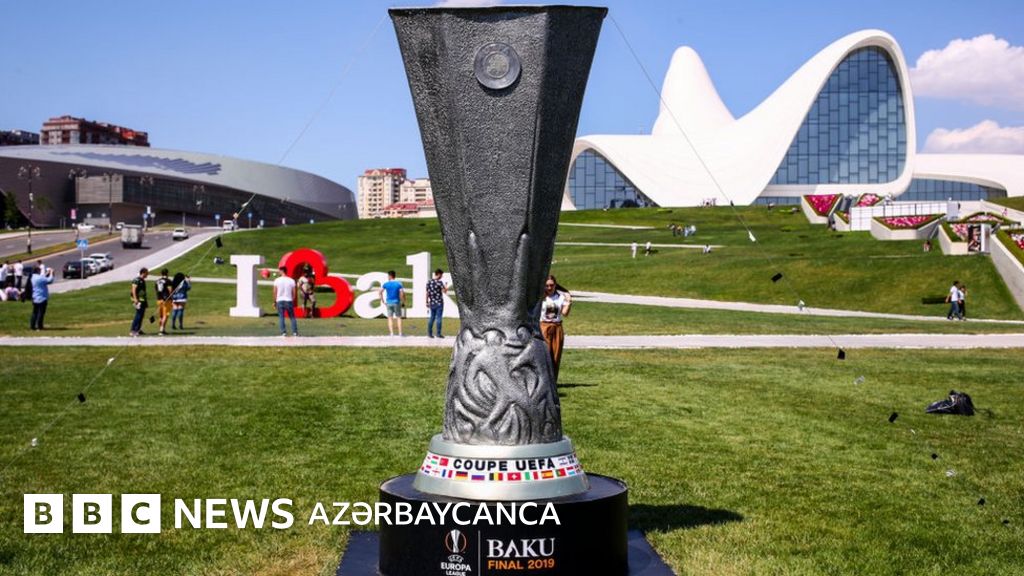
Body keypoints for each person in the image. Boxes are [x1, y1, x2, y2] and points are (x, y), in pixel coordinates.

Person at [540, 275, 572, 381]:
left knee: (555, 355)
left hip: (557, 327)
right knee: (544, 355)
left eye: (552, 285)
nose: (549, 287)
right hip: (543, 327)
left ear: (555, 285)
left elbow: (565, 313)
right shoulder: (540, 297)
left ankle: (552, 382)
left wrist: (569, 302)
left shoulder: (560, 297)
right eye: (547, 285)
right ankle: (543, 381)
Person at [273, 266, 298, 336]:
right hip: (288, 300)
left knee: (281, 317)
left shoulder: (277, 280)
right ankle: (295, 332)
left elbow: (275, 292)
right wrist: (292, 299)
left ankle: (283, 332)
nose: (278, 272)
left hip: (280, 300)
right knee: (292, 317)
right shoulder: (291, 280)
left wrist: (275, 301)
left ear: (282, 271)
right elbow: (294, 292)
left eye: (279, 271)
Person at [379, 271, 405, 336]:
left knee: (390, 318)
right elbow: (402, 293)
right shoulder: (398, 284)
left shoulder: (386, 284)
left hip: (389, 302)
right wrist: (403, 301)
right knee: (398, 318)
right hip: (396, 302)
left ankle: (391, 333)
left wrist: (382, 300)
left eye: (388, 276)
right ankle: (400, 333)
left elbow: (380, 292)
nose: (387, 277)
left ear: (390, 276)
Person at [29, 265, 54, 330]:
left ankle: (32, 326)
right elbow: (50, 280)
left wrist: (47, 273)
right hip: (42, 297)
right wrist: (51, 273)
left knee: (35, 312)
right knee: (41, 313)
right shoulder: (39, 278)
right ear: (37, 270)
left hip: (35, 297)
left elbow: (42, 278)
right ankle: (39, 326)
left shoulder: (33, 277)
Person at [426, 268, 447, 338]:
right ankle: (438, 333)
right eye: (441, 275)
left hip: (432, 302)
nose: (442, 276)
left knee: (432, 318)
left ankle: (429, 333)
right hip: (439, 303)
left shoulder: (429, 282)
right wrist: (446, 286)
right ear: (439, 274)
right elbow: (444, 291)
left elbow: (427, 293)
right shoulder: (439, 282)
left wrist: (426, 302)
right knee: (439, 318)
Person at [130, 268, 149, 336]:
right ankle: (133, 330)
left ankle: (138, 329)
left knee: (141, 315)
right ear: (143, 273)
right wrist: (135, 299)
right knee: (138, 314)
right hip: (138, 300)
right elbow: (133, 289)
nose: (147, 275)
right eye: (147, 273)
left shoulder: (142, 280)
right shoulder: (136, 280)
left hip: (142, 299)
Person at [154, 269, 173, 336]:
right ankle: (161, 329)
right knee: (165, 315)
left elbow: (156, 290)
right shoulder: (168, 281)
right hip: (166, 300)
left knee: (161, 315)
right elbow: (170, 290)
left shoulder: (157, 281)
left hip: (159, 299)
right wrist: (172, 298)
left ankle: (161, 329)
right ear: (167, 273)